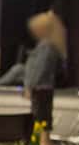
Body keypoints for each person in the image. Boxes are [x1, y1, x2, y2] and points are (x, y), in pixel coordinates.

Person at [22, 9, 65, 137]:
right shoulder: (50, 46)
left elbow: (39, 69)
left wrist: (29, 87)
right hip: (44, 89)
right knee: (42, 121)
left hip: (40, 89)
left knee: (40, 121)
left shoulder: (46, 47)